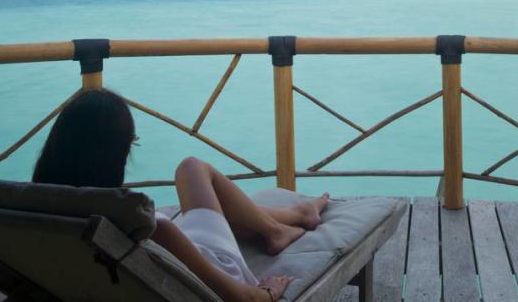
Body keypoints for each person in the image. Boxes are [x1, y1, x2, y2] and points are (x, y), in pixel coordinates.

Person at [33, 88, 329, 302]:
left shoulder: (40, 210)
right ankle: (278, 228)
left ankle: (293, 216)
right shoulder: (149, 227)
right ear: (118, 153)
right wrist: (269, 290)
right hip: (212, 266)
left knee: (192, 171)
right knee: (193, 167)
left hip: (162, 257)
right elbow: (244, 298)